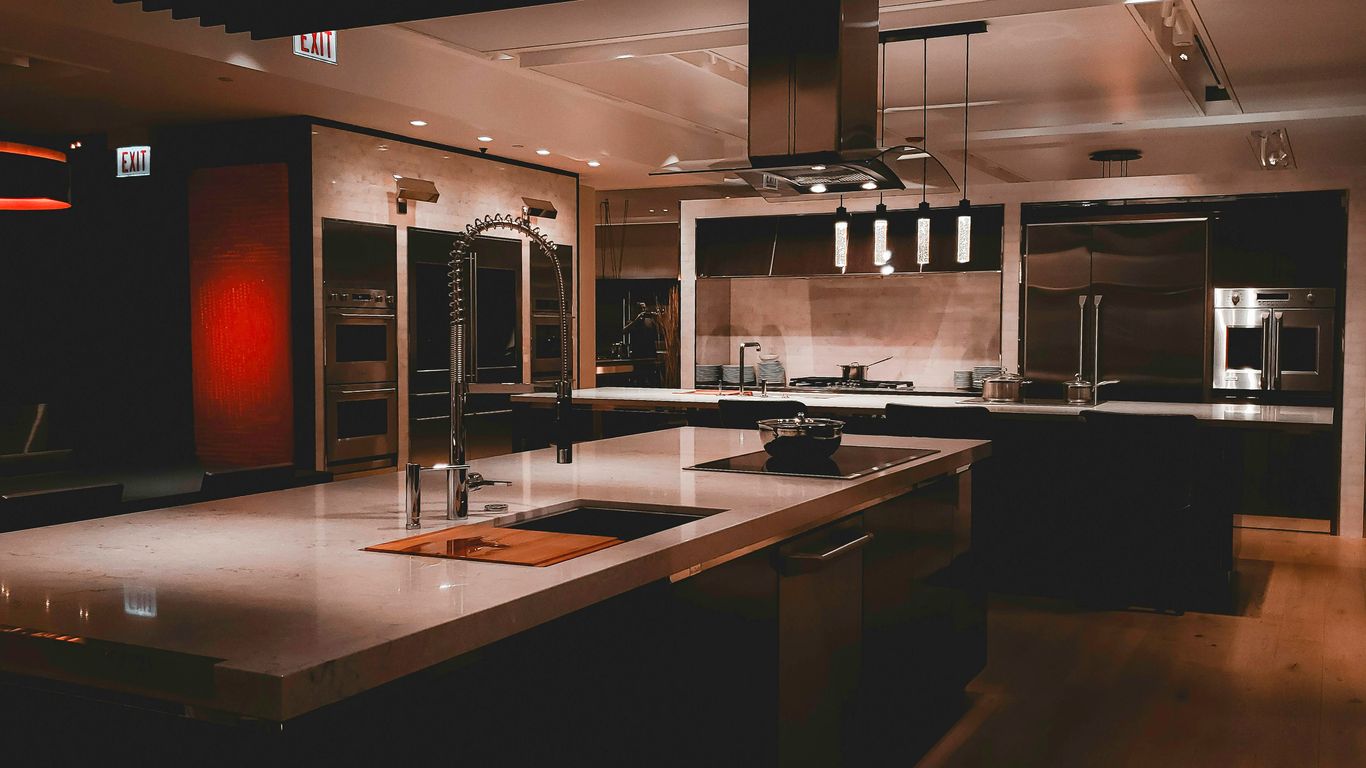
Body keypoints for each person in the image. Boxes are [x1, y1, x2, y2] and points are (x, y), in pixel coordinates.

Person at [621, 302, 663, 386]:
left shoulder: (649, 321)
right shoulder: (631, 321)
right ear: (636, 310)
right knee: (639, 377)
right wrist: (637, 319)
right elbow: (624, 331)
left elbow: (659, 333)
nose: (643, 311)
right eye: (641, 309)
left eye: (644, 308)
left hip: (650, 353)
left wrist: (658, 320)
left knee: (652, 377)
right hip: (638, 354)